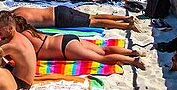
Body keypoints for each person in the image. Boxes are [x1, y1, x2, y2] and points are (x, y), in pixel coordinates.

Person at [14, 18, 145, 69]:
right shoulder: (31, 30)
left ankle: (133, 61)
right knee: (103, 49)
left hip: (65, 48)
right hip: (67, 39)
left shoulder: (22, 38)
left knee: (101, 58)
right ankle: (133, 52)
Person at [11, 5, 141, 32]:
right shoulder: (19, 9)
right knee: (93, 16)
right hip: (59, 9)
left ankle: (127, 26)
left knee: (94, 23)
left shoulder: (19, 18)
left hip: (60, 19)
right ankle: (126, 18)